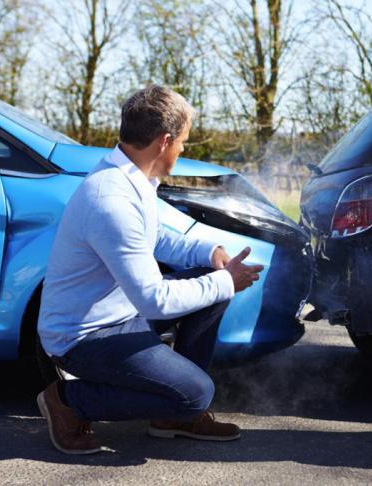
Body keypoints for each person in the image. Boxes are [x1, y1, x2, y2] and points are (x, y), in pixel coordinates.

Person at [36, 84, 263, 454]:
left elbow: (156, 238)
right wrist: (224, 282)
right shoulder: (110, 199)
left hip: (121, 313)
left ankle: (171, 414)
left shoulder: (131, 178)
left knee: (210, 290)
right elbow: (154, 300)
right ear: (164, 141)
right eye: (184, 142)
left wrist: (211, 253)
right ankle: (68, 400)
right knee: (196, 393)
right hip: (84, 336)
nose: (184, 149)